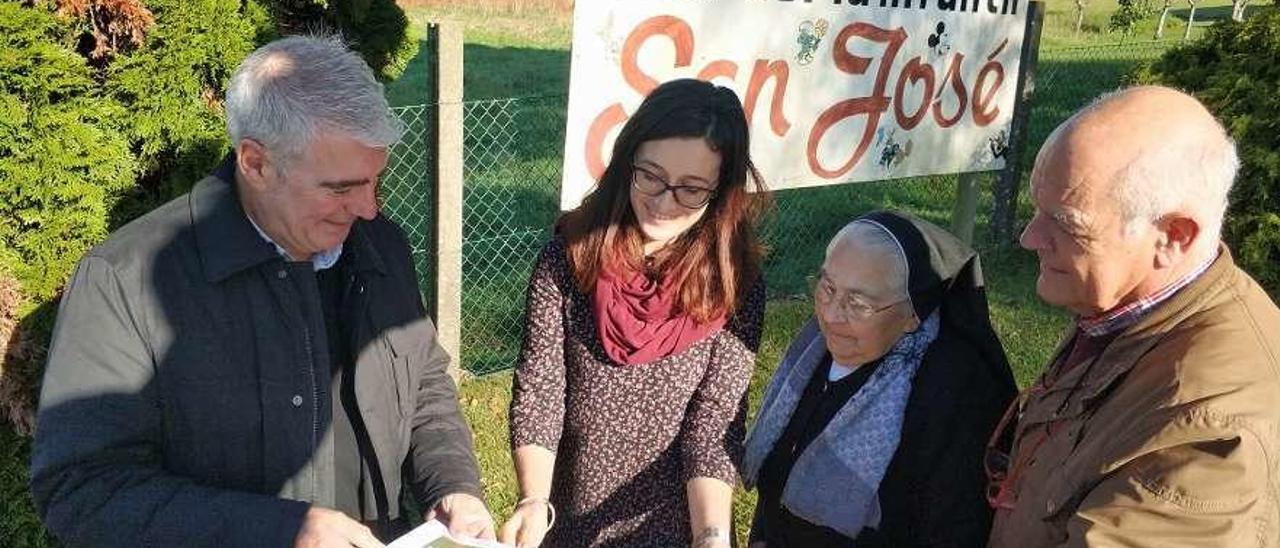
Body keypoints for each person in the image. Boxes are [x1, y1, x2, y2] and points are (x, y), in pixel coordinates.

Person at [29, 35, 494, 547]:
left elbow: (424, 380)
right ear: (254, 163)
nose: (367, 209)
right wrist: (280, 530)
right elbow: (82, 491)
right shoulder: (122, 281)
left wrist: (453, 483)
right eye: (340, 188)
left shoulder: (379, 245)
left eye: (373, 181)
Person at [986, 86, 1280, 546]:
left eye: (1065, 224)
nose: (1029, 238)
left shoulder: (1209, 433)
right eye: (1037, 211)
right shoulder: (1127, 312)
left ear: (1173, 237)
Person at [498, 78, 768, 548]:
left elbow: (713, 425)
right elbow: (540, 393)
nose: (664, 203)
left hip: (667, 524)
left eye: (691, 189)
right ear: (627, 162)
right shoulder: (569, 257)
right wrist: (532, 500)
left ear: (722, 192)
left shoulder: (734, 284)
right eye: (651, 176)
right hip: (565, 516)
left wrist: (711, 535)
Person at [742, 211, 1016, 546]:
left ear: (912, 315)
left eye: (857, 304)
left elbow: (953, 531)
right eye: (827, 287)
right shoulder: (813, 351)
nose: (829, 315)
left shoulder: (956, 395)